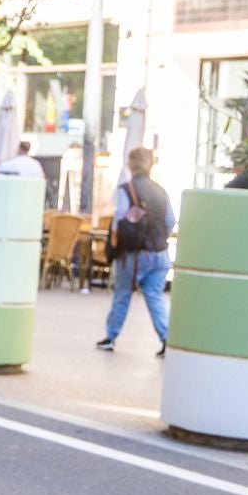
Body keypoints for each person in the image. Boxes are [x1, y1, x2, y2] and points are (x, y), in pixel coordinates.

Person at [96, 146, 173, 355]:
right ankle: (166, 337)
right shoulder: (161, 191)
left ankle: (111, 337)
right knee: (154, 296)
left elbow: (118, 223)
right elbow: (170, 221)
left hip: (134, 255)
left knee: (122, 294)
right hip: (160, 254)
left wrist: (113, 248)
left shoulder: (126, 189)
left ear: (131, 163)